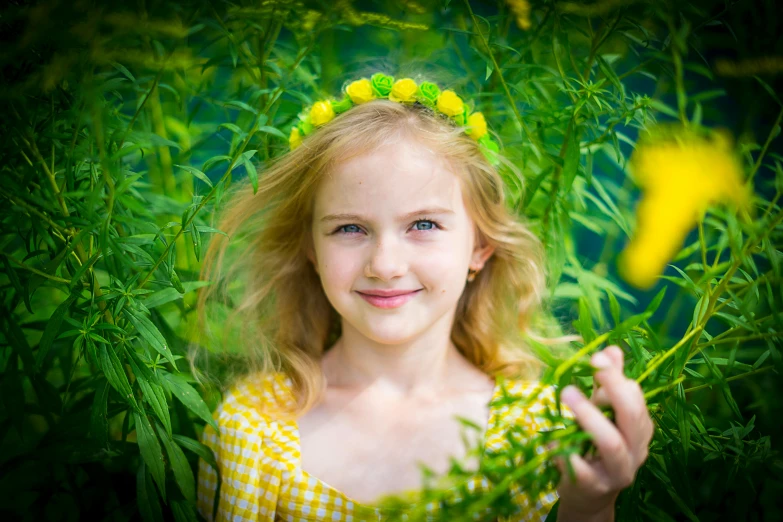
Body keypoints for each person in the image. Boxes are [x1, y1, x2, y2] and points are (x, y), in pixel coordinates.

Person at [193, 72, 654, 522]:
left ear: (479, 247)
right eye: (350, 228)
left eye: (424, 225)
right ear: (311, 249)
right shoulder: (254, 427)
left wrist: (589, 509)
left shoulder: (533, 431)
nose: (386, 264)